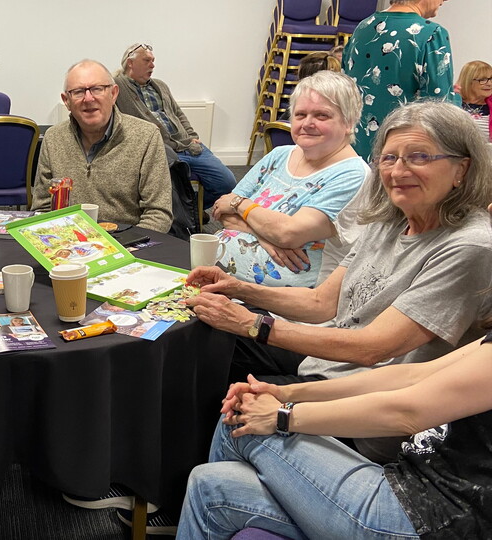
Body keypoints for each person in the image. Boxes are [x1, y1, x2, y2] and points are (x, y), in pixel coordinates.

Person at [185, 101, 492, 463]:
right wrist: (237, 290)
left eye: (419, 156)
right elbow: (321, 304)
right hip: (326, 368)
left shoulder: (469, 246)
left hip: (364, 407)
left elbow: (373, 348)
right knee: (204, 338)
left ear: (462, 169)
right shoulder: (389, 220)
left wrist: (251, 323)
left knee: (232, 402)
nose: (398, 171)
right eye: (388, 158)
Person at [177, 329, 492, 539]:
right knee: (209, 486)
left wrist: (283, 416)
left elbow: (407, 412)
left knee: (240, 418)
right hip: (411, 488)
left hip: (430, 521)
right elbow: (410, 375)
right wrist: (284, 393)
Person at [210, 71, 368, 288]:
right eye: (300, 115)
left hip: (282, 305)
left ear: (348, 122)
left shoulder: (352, 174)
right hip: (221, 279)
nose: (307, 123)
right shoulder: (280, 154)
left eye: (322, 116)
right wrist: (265, 236)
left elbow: (288, 233)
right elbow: (222, 210)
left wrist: (240, 205)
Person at [31, 60, 173, 233]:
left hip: (127, 245)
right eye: (78, 92)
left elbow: (158, 214)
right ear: (66, 101)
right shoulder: (53, 138)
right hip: (68, 243)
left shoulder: (146, 136)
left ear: (113, 94)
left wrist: (121, 250)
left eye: (97, 89)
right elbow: (42, 208)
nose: (88, 98)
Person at [114, 43, 236, 209]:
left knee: (227, 183)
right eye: (147, 60)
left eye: (153, 60)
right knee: (168, 190)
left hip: (187, 144)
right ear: (130, 63)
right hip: (160, 149)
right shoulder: (118, 86)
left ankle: (190, 211)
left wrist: (193, 136)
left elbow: (178, 113)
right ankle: (186, 214)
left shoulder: (160, 85)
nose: (152, 65)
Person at [343, 0, 458, 161]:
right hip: (404, 153)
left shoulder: (362, 28)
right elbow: (439, 107)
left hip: (358, 151)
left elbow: (346, 85)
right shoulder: (432, 34)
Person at [455, 60, 492, 142]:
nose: (489, 83)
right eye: (483, 79)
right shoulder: (452, 103)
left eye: (491, 79)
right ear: (468, 81)